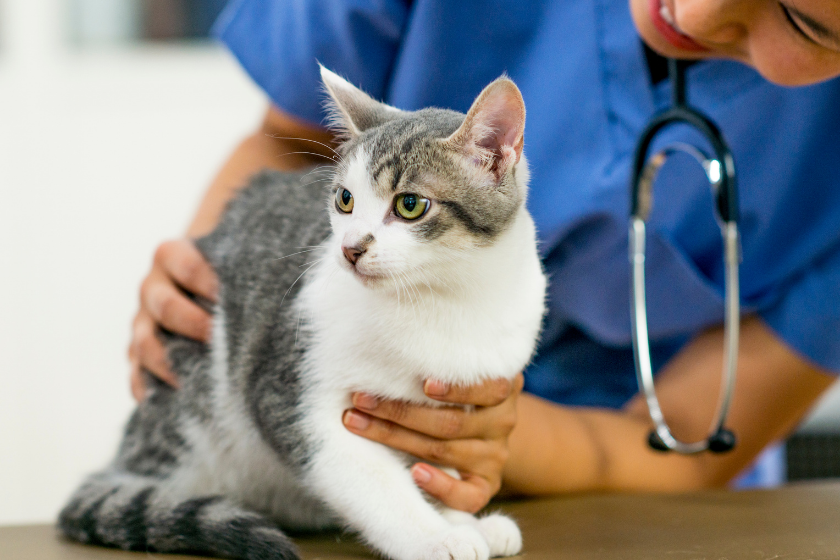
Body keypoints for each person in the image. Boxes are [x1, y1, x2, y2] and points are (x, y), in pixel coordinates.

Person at [129, 0, 840, 514]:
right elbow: (290, 145)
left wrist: (474, 434)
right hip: (340, 428)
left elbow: (686, 445)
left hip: (630, 494)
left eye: (804, 19)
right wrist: (210, 301)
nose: (696, 13)